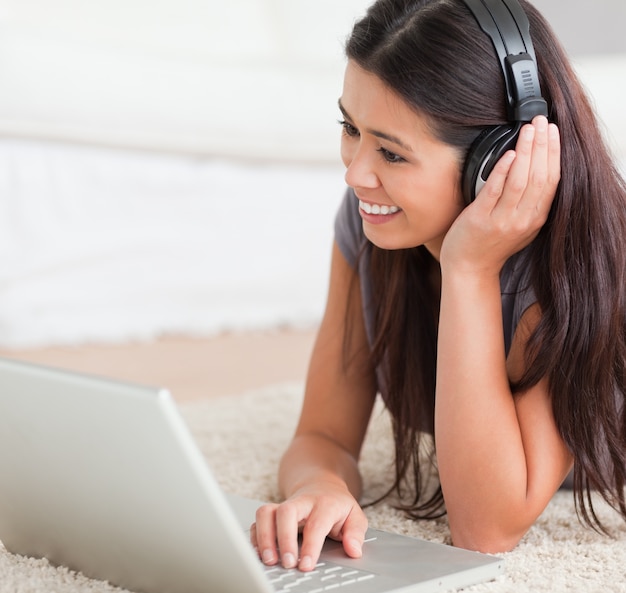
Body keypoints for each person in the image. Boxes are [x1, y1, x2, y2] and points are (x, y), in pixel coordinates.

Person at [251, 0, 626, 572]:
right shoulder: (370, 223)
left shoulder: (564, 268)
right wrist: (320, 483)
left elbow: (485, 528)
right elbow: (323, 431)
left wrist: (470, 270)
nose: (354, 173)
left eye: (392, 153)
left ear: (496, 160)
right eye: (350, 127)